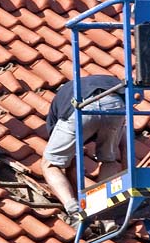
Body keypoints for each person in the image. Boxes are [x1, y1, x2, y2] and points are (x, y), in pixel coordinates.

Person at [42, 74, 126, 225]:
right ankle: (104, 213)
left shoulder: (57, 111)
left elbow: (68, 161)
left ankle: (73, 210)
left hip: (83, 104)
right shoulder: (108, 80)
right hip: (115, 103)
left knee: (50, 164)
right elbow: (124, 145)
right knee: (109, 160)